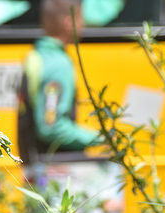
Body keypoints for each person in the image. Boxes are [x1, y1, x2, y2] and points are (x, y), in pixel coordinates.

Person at [17, 0, 100, 165]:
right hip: (53, 168)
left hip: (35, 160)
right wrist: (99, 139)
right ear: (69, 23)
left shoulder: (37, 55)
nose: (84, 25)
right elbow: (51, 126)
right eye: (81, 19)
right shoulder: (58, 65)